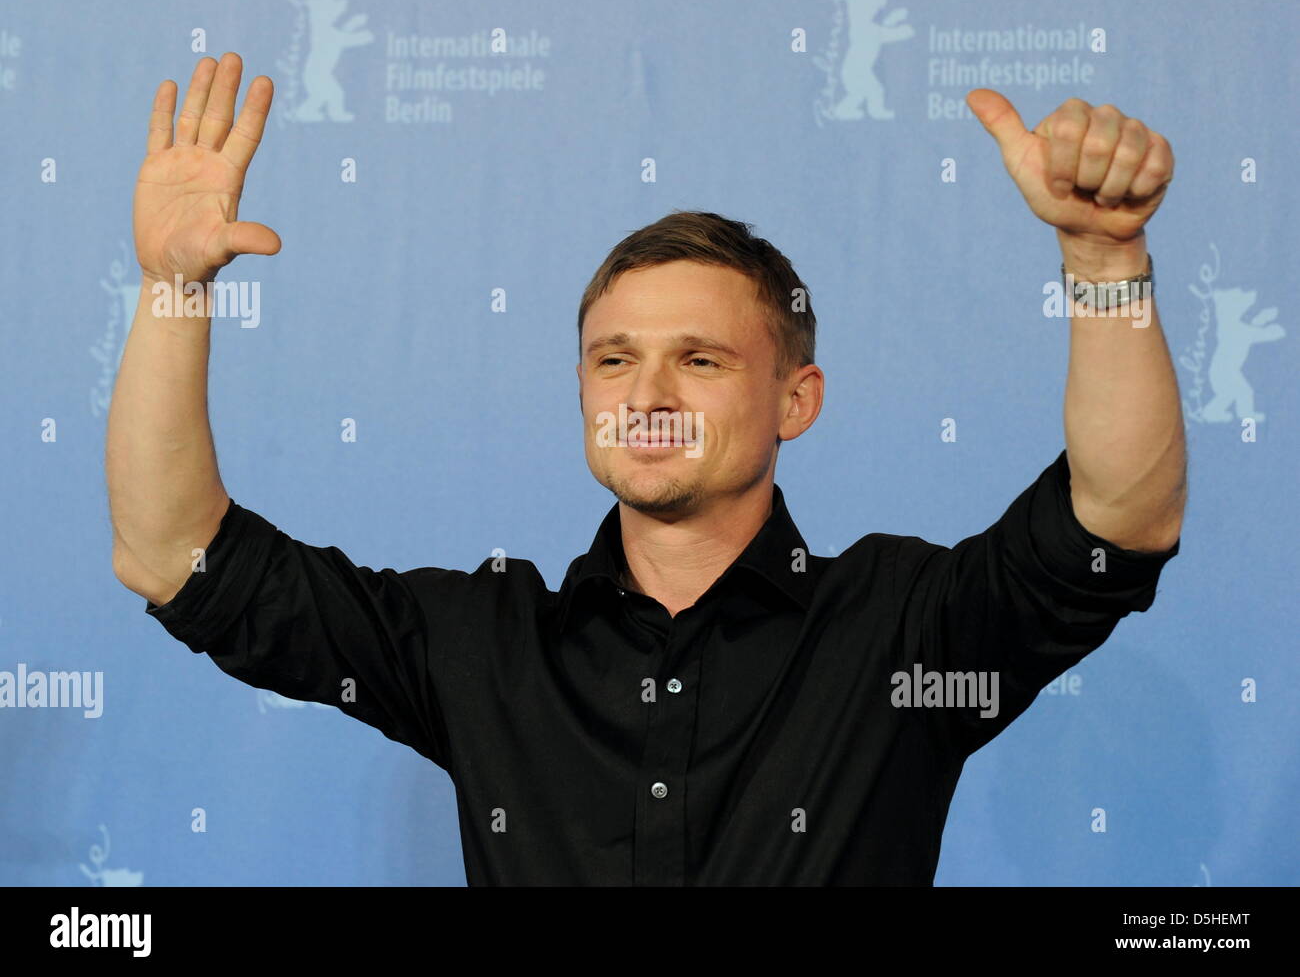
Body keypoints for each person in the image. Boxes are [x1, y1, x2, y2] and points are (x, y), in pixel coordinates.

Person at [109, 53, 1185, 885]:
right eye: (614, 358)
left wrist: (1102, 264)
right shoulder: (480, 643)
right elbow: (174, 552)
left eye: (701, 359)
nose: (648, 393)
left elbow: (1118, 516)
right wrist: (169, 288)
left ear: (794, 402)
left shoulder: (904, 628)